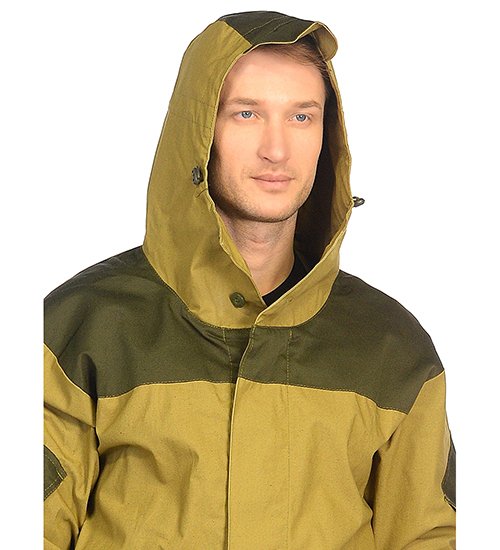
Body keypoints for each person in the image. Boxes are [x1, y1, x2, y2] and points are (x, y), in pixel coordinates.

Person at [43, 10, 456, 549]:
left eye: (302, 117)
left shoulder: (392, 347)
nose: (276, 150)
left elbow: (426, 535)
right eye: (246, 113)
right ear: (198, 131)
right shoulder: (79, 327)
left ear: (327, 136)